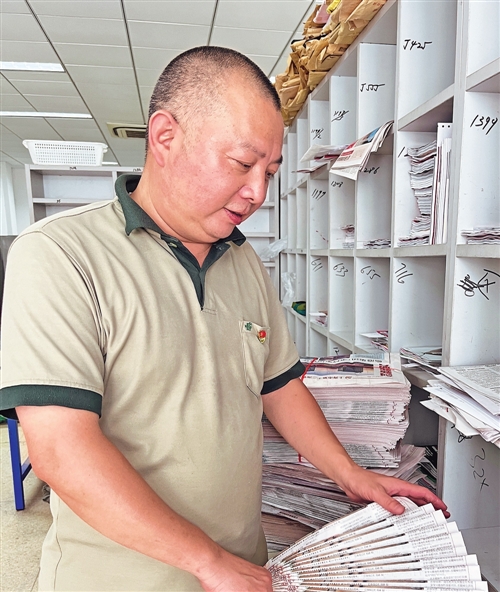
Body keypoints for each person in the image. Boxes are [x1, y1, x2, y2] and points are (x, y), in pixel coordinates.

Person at [0, 46, 448, 592]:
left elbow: (279, 386)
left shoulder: (242, 261)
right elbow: (60, 449)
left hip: (242, 568)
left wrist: (349, 473)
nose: (257, 192)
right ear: (165, 136)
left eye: (270, 171)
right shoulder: (59, 253)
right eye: (241, 163)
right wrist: (205, 560)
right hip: (122, 578)